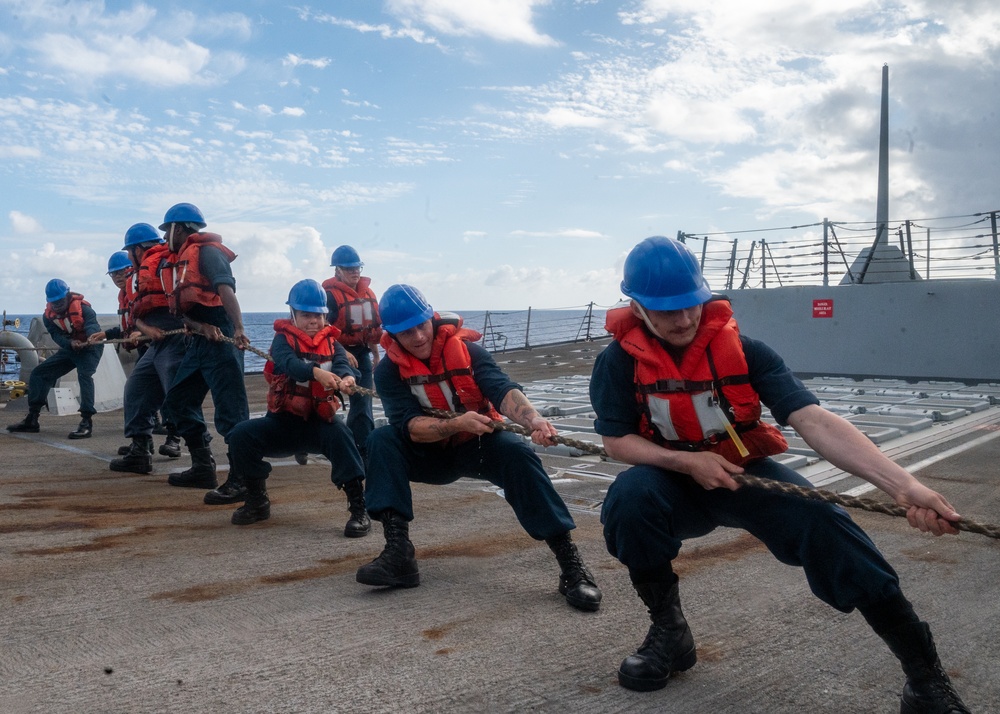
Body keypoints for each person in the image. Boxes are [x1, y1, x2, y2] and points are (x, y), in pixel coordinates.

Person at [592, 236, 970, 712]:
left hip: (745, 475)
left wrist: (904, 486)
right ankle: (670, 632)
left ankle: (923, 677)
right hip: (671, 481)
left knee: (830, 527)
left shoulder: (746, 351)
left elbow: (813, 420)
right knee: (628, 501)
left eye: (691, 304)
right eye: (667, 310)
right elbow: (616, 440)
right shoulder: (616, 363)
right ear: (637, 306)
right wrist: (687, 461)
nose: (684, 319)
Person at [356, 284, 602, 612]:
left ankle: (571, 566)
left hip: (480, 446)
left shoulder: (470, 353)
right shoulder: (388, 373)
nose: (417, 337)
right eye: (405, 332)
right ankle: (398, 554)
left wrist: (534, 421)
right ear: (392, 336)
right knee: (381, 440)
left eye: (421, 326)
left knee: (518, 453)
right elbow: (409, 427)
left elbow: (501, 390)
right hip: (429, 452)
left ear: (432, 318)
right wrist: (457, 423)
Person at [228, 279, 369, 536]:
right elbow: (287, 364)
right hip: (283, 423)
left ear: (325, 315)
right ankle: (257, 500)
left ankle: (359, 509)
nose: (313, 321)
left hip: (319, 424)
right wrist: (316, 373)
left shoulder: (333, 344)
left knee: (344, 439)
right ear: (293, 315)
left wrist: (348, 378)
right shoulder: (283, 341)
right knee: (240, 435)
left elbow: (342, 366)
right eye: (306, 315)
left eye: (318, 315)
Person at [157, 203, 250, 500]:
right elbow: (183, 311)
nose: (165, 238)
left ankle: (242, 480)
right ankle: (202, 467)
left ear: (180, 228)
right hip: (200, 339)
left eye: (167, 231)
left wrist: (237, 328)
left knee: (231, 414)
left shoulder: (207, 252)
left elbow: (226, 291)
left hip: (222, 338)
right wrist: (198, 326)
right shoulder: (180, 262)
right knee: (178, 401)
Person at [98, 224, 190, 473]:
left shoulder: (164, 265)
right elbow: (138, 312)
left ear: (139, 249)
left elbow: (179, 303)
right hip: (156, 342)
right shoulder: (141, 274)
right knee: (136, 388)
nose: (128, 258)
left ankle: (197, 456)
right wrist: (141, 329)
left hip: (176, 338)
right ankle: (141, 449)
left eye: (129, 252)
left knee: (177, 397)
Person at [6, 279, 103, 439]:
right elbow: (57, 336)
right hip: (70, 348)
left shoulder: (85, 310)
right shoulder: (48, 317)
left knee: (85, 376)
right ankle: (32, 418)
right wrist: (70, 343)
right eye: (54, 303)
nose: (57, 306)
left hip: (91, 347)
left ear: (67, 296)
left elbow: (92, 325)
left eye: (60, 301)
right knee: (40, 373)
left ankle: (86, 421)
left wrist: (90, 338)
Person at [321, 245, 382, 458]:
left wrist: (375, 353)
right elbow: (321, 328)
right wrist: (341, 351)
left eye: (357, 268)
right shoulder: (329, 296)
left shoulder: (368, 294)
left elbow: (370, 328)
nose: (354, 272)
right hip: (335, 353)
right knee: (320, 401)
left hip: (362, 353)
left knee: (363, 400)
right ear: (337, 270)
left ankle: (363, 448)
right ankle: (307, 442)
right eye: (349, 269)